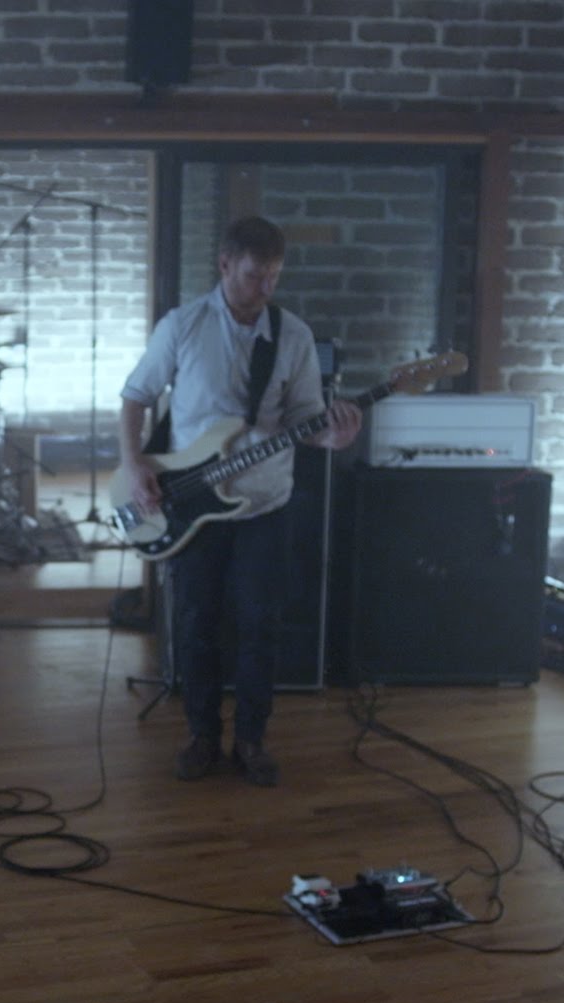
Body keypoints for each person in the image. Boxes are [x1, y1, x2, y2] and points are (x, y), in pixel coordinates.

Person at [117, 216, 362, 788]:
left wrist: (331, 437)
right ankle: (202, 734)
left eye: (274, 276)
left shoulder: (292, 335)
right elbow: (135, 397)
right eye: (254, 276)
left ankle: (251, 739)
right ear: (225, 265)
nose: (265, 289)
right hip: (190, 502)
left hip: (265, 504)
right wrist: (134, 465)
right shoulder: (183, 326)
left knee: (260, 625)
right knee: (196, 622)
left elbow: (305, 418)